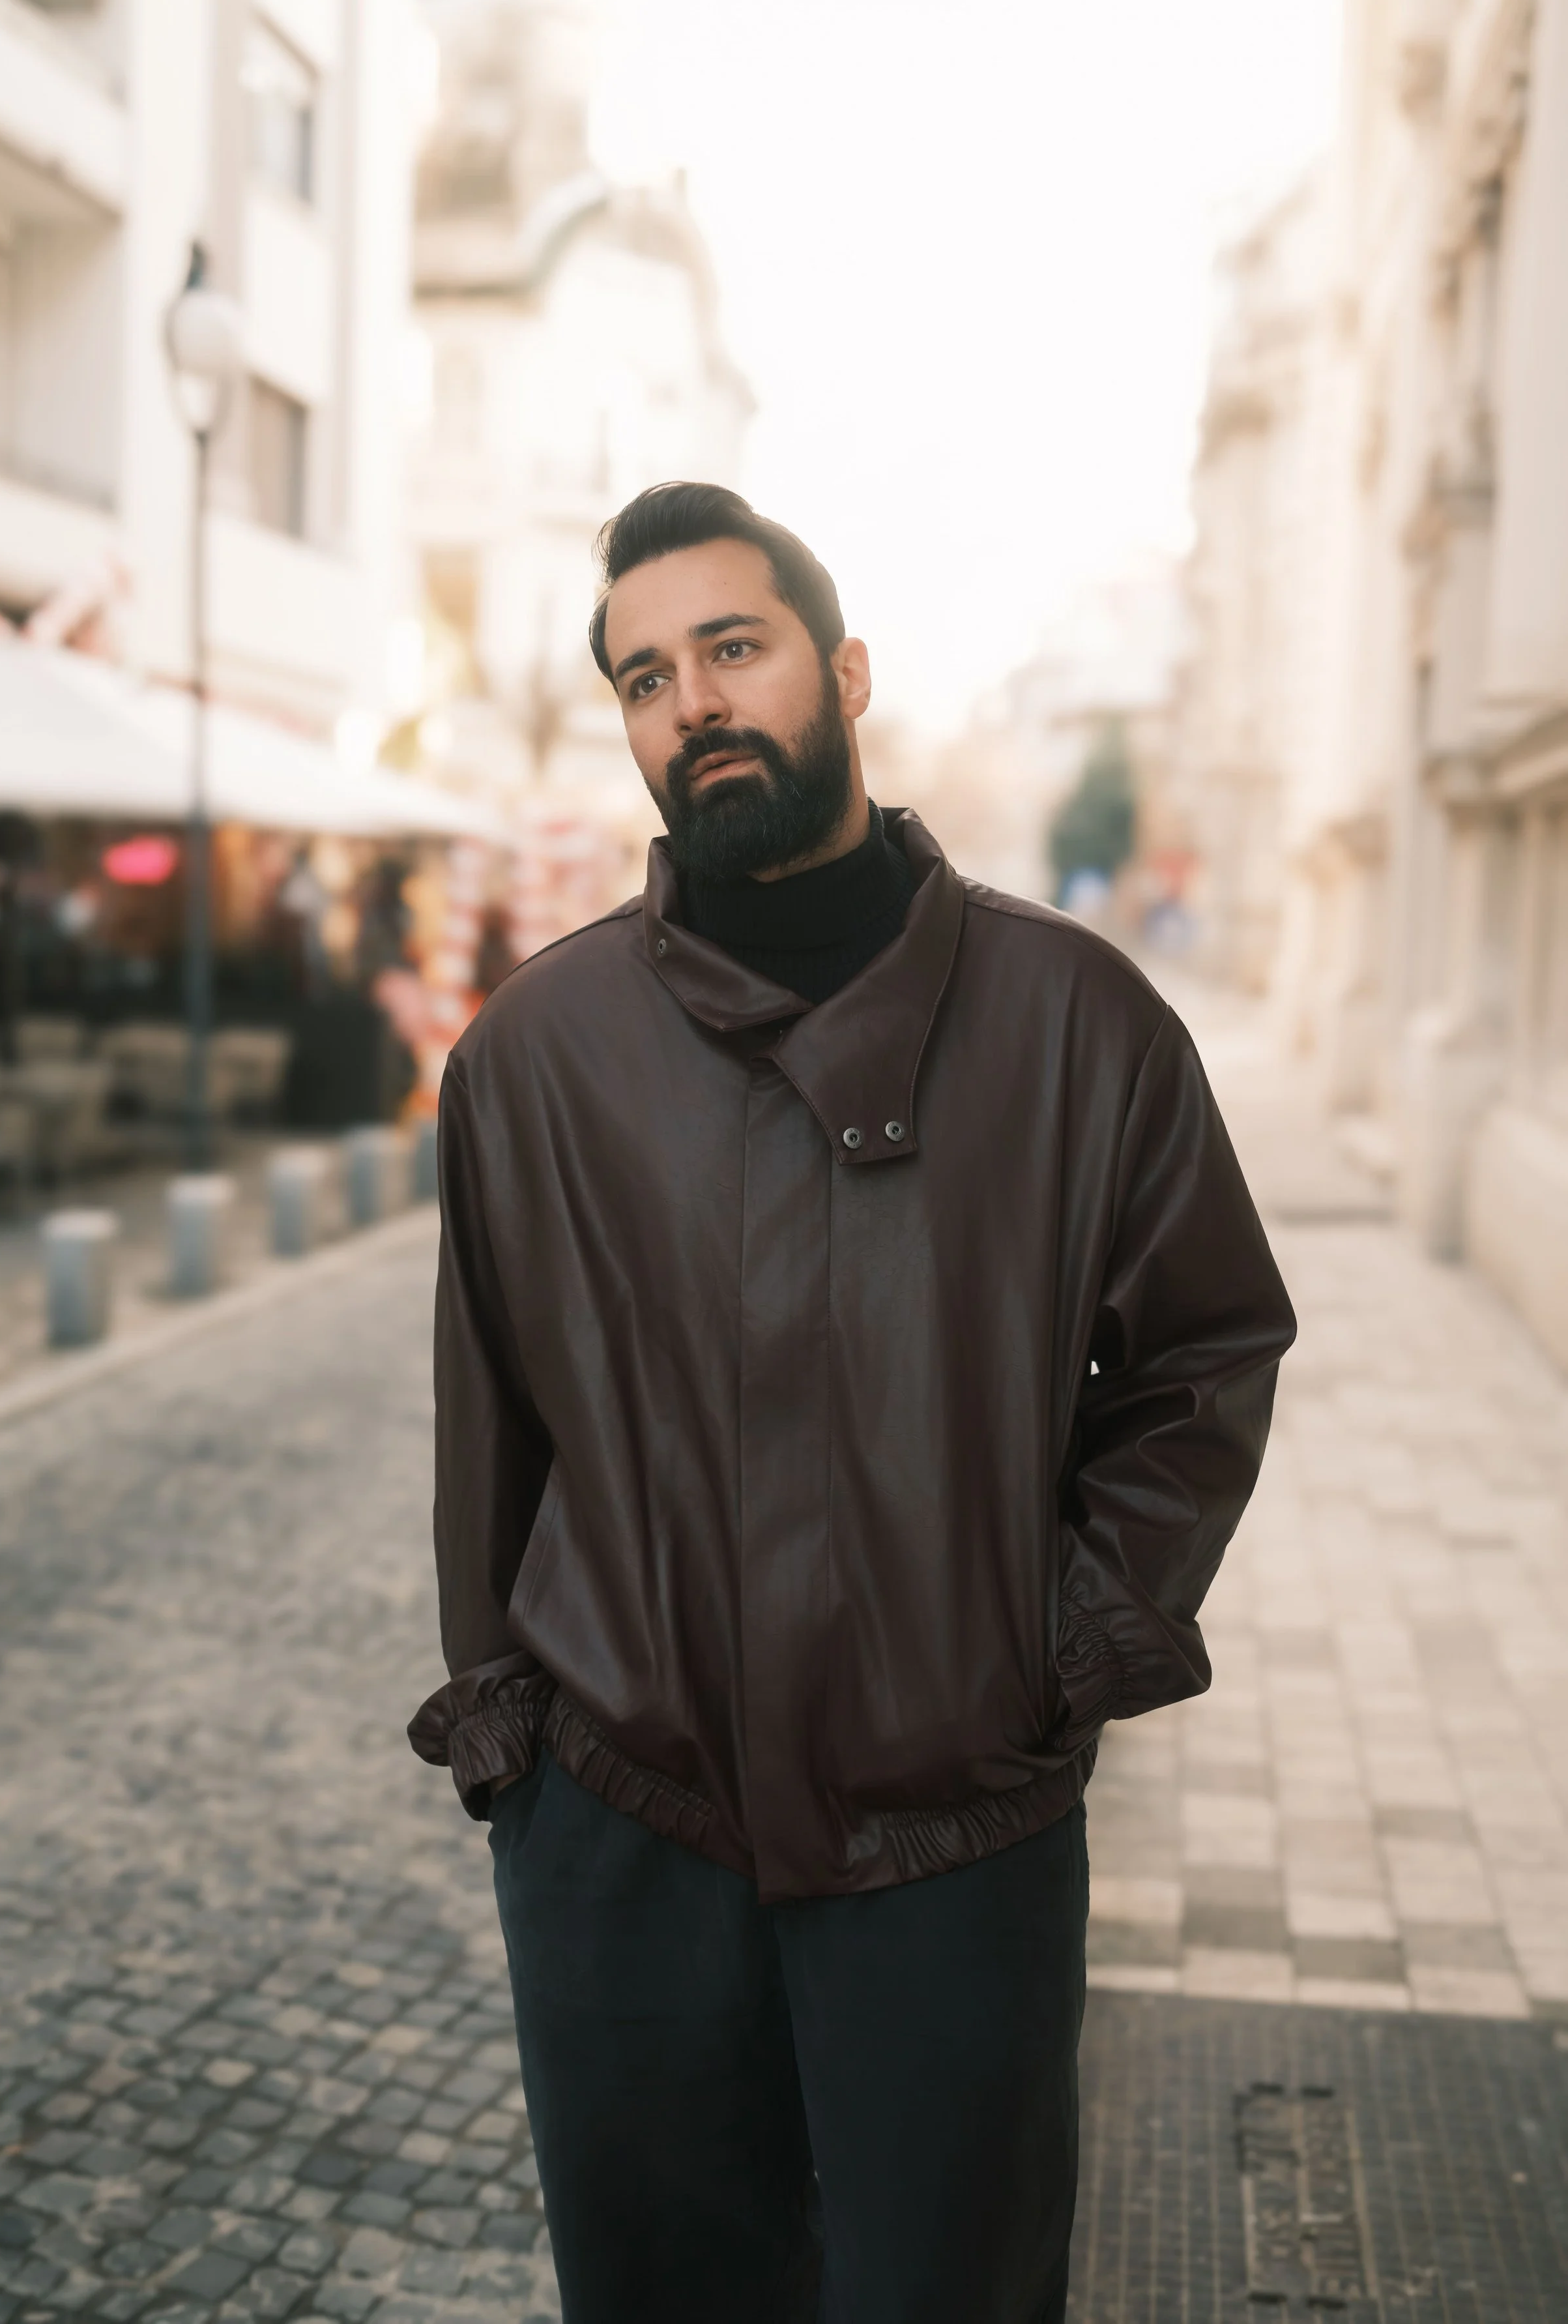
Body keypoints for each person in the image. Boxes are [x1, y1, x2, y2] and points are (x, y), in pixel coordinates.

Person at [409, 482, 1296, 2323]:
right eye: (646, 676)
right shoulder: (528, 1061)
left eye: (731, 646)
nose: (694, 702)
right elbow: (490, 1421)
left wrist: (1059, 1635)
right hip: (626, 1833)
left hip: (952, 1834)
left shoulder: (1080, 1020)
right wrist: (519, 1751)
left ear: (845, 666)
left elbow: (1205, 1348)